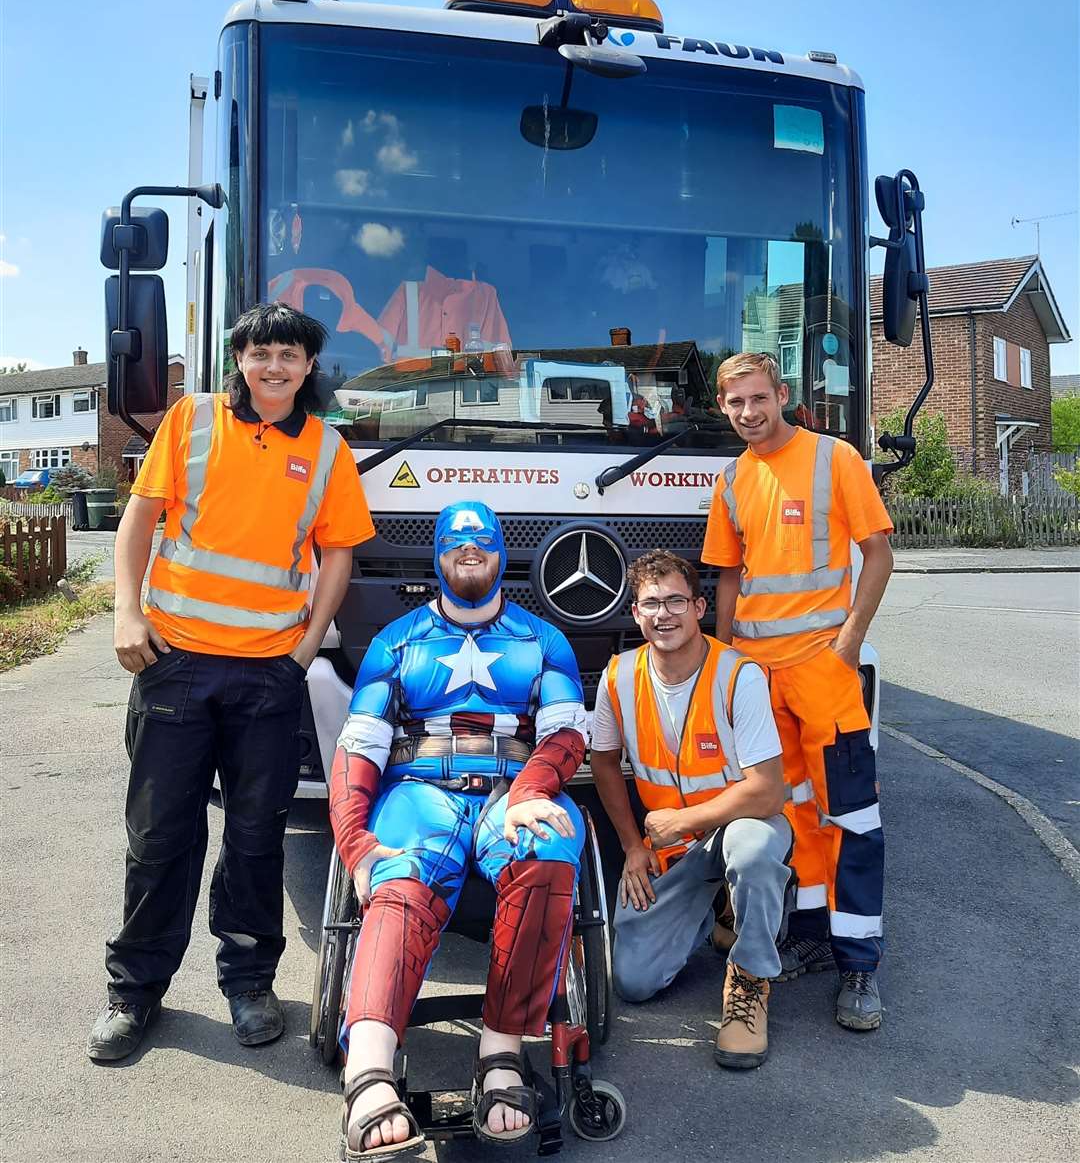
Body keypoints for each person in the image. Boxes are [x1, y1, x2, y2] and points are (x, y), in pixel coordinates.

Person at [87, 302, 375, 1062]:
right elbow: (139, 520)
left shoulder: (326, 449)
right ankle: (133, 993)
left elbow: (339, 553)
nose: (273, 366)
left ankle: (249, 984)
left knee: (255, 841)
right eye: (259, 353)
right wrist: (126, 612)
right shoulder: (193, 420)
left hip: (268, 676)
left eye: (289, 354)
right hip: (174, 662)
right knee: (159, 838)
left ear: (309, 367)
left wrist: (304, 651)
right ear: (239, 360)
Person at [329, 501, 587, 1158]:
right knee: (400, 873)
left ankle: (501, 1054)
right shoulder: (396, 642)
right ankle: (368, 1070)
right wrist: (356, 842)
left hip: (512, 790)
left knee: (550, 849)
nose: (468, 552)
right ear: (437, 554)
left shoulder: (542, 640)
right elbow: (357, 748)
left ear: (503, 552)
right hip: (418, 791)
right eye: (455, 543)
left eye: (481, 543)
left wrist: (530, 789)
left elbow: (564, 733)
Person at [702, 350, 894, 1031]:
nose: (749, 413)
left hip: (822, 673)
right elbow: (728, 576)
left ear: (781, 394)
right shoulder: (731, 482)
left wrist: (847, 642)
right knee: (790, 817)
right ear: (724, 408)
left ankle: (860, 966)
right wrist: (724, 663)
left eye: (758, 398)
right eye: (735, 404)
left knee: (849, 817)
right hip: (757, 679)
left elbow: (879, 552)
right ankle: (811, 934)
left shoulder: (835, 458)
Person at [590, 549, 791, 1069]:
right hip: (670, 852)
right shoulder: (617, 678)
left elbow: (769, 790)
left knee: (752, 849)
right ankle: (719, 910)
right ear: (634, 613)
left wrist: (683, 821)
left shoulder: (738, 676)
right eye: (650, 603)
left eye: (676, 600)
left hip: (732, 828)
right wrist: (633, 846)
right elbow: (605, 763)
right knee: (631, 983)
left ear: (699, 606)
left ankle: (749, 983)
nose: (664, 614)